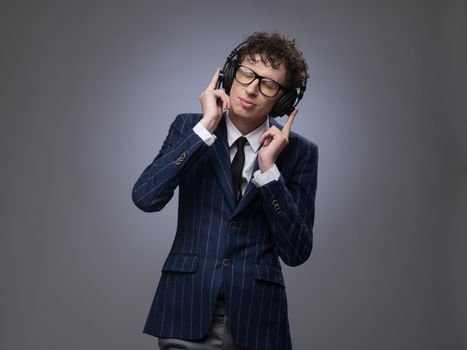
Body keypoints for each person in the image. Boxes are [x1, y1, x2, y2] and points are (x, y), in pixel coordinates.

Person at [131, 31, 318, 350]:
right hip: (186, 310)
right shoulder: (188, 127)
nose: (252, 89)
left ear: (282, 100)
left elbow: (296, 252)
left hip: (259, 320)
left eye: (268, 84)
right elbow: (146, 197)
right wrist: (203, 130)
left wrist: (269, 171)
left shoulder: (300, 152)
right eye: (247, 73)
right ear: (231, 74)